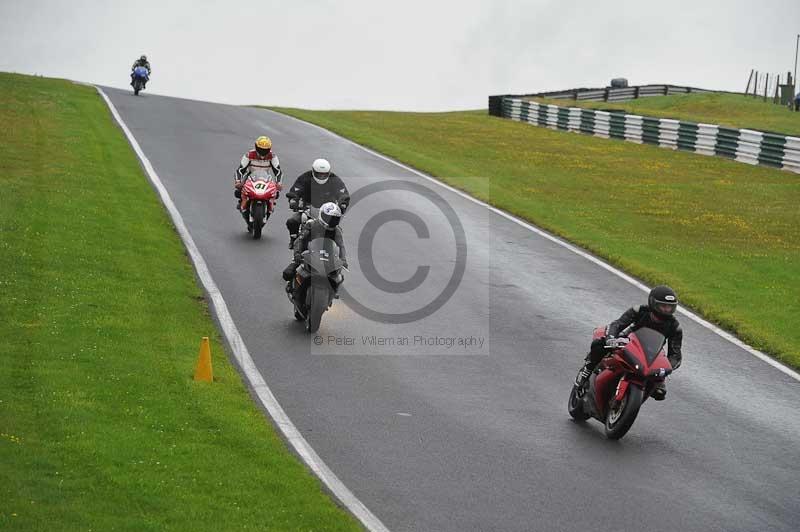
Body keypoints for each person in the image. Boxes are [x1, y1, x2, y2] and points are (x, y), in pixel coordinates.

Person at [574, 285, 683, 400]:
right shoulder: (639, 311)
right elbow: (618, 324)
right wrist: (611, 338)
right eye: (663, 306)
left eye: (670, 307)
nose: (667, 310)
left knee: (660, 392)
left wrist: (667, 367)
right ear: (653, 303)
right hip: (627, 341)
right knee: (599, 344)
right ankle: (587, 370)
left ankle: (634, 398)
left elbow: (675, 354)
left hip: (651, 354)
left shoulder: (675, 326)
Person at [284, 158, 350, 248]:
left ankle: (340, 254)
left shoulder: (334, 179)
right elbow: (296, 189)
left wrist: (343, 203)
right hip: (307, 208)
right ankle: (294, 239)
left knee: (337, 231)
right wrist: (293, 200)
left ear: (329, 173)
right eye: (319, 174)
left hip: (328, 211)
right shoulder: (305, 177)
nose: (321, 177)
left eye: (324, 174)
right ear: (313, 171)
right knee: (292, 221)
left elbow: (343, 193)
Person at [282, 202, 348, 290]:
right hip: (307, 255)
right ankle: (293, 288)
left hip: (327, 257)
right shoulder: (311, 224)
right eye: (329, 218)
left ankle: (332, 293)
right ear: (322, 215)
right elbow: (300, 240)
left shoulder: (337, 231)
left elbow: (341, 246)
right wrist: (297, 254)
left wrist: (343, 260)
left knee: (338, 278)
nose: (331, 220)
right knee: (288, 274)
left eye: (334, 219)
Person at [234, 136, 283, 212]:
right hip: (250, 176)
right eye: (261, 149)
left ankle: (270, 205)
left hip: (266, 177)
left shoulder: (273, 157)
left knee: (276, 193)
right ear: (256, 147)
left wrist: (279, 183)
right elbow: (240, 170)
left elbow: (278, 172)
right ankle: (243, 203)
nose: (263, 152)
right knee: (238, 192)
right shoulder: (249, 155)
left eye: (265, 150)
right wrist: (238, 181)